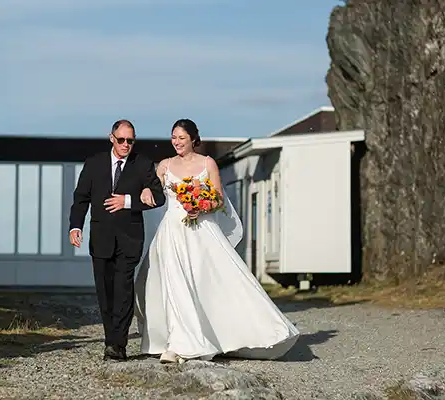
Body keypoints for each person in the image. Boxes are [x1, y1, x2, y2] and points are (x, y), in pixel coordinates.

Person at [134, 119, 299, 363]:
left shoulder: (207, 163)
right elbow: (151, 191)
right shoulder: (165, 166)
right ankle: (178, 342)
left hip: (201, 230)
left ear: (193, 139)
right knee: (172, 284)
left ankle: (215, 335)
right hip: (172, 233)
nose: (177, 142)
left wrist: (200, 206)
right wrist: (145, 191)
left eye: (181, 137)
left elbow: (219, 200)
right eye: (173, 137)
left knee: (207, 283)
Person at [68, 119, 166, 361]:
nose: (125, 145)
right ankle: (110, 338)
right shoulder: (94, 163)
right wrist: (75, 226)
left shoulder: (142, 165)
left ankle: (117, 346)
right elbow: (81, 198)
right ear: (111, 137)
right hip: (100, 238)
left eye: (130, 141)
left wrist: (129, 201)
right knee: (105, 292)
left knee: (123, 290)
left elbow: (159, 197)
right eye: (121, 140)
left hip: (129, 239)